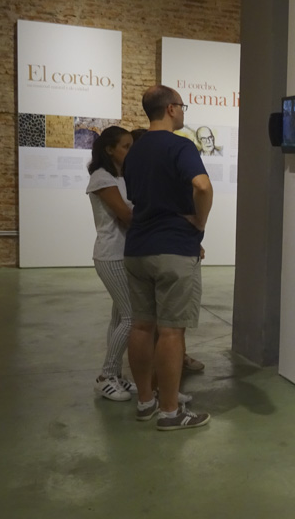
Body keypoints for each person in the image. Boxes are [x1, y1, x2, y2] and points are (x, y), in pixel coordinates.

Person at [123, 85, 213, 431]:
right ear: (172, 109)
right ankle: (170, 412)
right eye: (183, 106)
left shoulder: (135, 150)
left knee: (141, 326)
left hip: (137, 248)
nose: (184, 111)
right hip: (173, 248)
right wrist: (199, 223)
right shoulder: (180, 145)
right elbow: (202, 186)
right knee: (171, 332)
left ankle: (146, 401)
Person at [86, 126, 137, 401]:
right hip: (112, 254)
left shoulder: (120, 176)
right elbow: (125, 215)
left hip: (123, 252)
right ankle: (105, 375)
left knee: (119, 317)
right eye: (125, 147)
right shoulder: (101, 178)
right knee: (132, 317)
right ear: (109, 149)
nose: (130, 152)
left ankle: (116, 374)